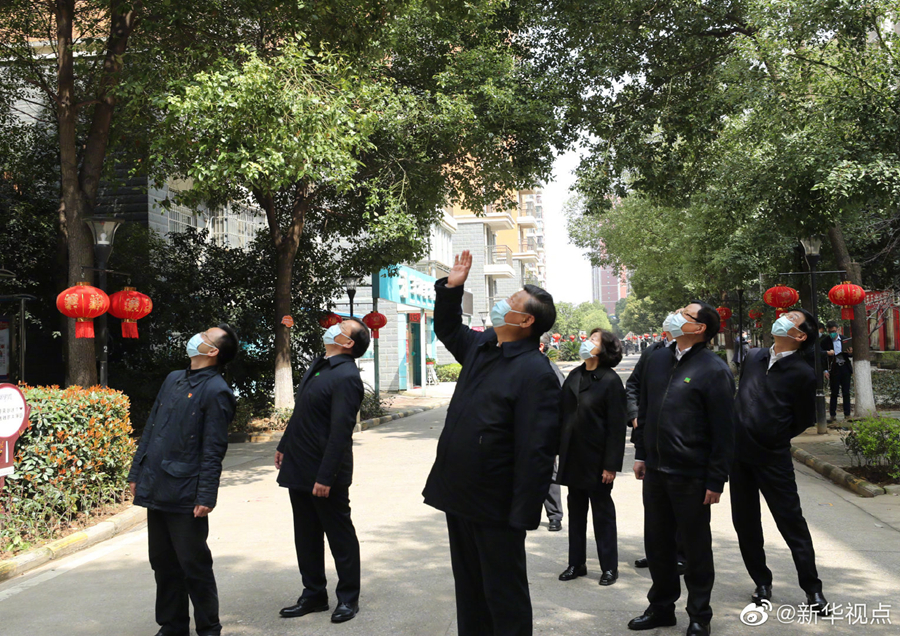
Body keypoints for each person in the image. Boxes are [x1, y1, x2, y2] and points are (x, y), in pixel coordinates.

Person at [423, 250, 561, 636]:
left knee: (504, 594)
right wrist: (452, 288)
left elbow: (537, 452)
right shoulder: (483, 347)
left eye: (512, 301)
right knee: (469, 589)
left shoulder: (536, 373)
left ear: (526, 321)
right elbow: (448, 328)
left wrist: (524, 514)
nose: (503, 304)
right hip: (459, 493)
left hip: (496, 504)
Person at [629, 302, 735, 636]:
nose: (675, 316)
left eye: (685, 314)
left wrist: (716, 479)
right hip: (656, 471)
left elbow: (724, 430)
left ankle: (700, 615)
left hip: (692, 475)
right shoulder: (657, 358)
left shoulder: (714, 369)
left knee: (695, 548)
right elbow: (645, 410)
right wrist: (641, 453)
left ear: (700, 328)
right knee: (657, 545)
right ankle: (661, 607)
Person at [127, 325, 239, 636]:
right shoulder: (173, 379)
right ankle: (173, 625)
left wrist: (206, 495)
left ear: (213, 351)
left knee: (193, 564)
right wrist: (137, 471)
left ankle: (209, 628)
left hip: (186, 490)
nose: (196, 337)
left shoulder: (216, 390)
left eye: (205, 336)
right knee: (162, 562)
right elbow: (152, 427)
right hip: (156, 482)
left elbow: (214, 448)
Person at [730, 309, 829, 615]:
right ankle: (761, 582)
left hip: (772, 458)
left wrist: (773, 435)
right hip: (738, 456)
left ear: (800, 336)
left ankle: (812, 589)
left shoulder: (802, 373)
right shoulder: (754, 356)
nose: (783, 317)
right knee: (745, 523)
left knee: (791, 522)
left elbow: (803, 418)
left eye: (792, 317)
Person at [275, 317, 371, 624]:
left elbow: (341, 431)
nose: (333, 328)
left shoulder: (347, 377)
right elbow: (302, 412)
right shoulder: (320, 366)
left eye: (342, 328)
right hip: (299, 464)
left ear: (348, 343)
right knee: (306, 535)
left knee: (339, 535)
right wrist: (284, 444)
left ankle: (348, 598)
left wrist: (326, 476)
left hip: (325, 471)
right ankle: (314, 594)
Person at [556, 329, 626, 586]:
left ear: (604, 349)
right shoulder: (574, 375)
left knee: (602, 514)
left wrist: (611, 465)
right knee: (576, 513)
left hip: (597, 461)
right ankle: (576, 563)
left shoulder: (610, 380)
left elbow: (617, 428)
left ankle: (609, 567)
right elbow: (561, 415)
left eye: (594, 340)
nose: (587, 342)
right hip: (573, 457)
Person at [626, 328, 686, 575]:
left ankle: (681, 555)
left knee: (681, 508)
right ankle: (657, 553)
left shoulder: (702, 361)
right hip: (652, 442)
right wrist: (635, 414)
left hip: (682, 446)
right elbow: (634, 385)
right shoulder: (654, 352)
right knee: (655, 508)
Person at [822, 321, 853, 422]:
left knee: (846, 392)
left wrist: (850, 353)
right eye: (830, 331)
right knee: (834, 392)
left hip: (845, 367)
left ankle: (847, 414)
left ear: (838, 329)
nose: (832, 333)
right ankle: (832, 415)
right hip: (834, 368)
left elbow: (850, 355)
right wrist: (825, 370)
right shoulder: (825, 341)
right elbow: (822, 357)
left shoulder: (845, 339)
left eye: (834, 331)